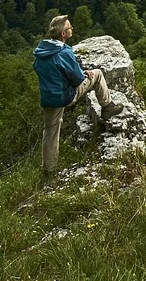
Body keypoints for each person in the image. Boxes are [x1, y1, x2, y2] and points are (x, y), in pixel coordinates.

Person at [33, 14, 113, 176]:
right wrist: (85, 74)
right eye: (69, 27)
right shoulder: (64, 52)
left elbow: (44, 70)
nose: (72, 29)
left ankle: (48, 170)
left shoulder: (41, 51)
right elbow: (77, 80)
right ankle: (108, 106)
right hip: (65, 96)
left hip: (48, 97)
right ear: (63, 34)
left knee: (50, 132)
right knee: (96, 74)